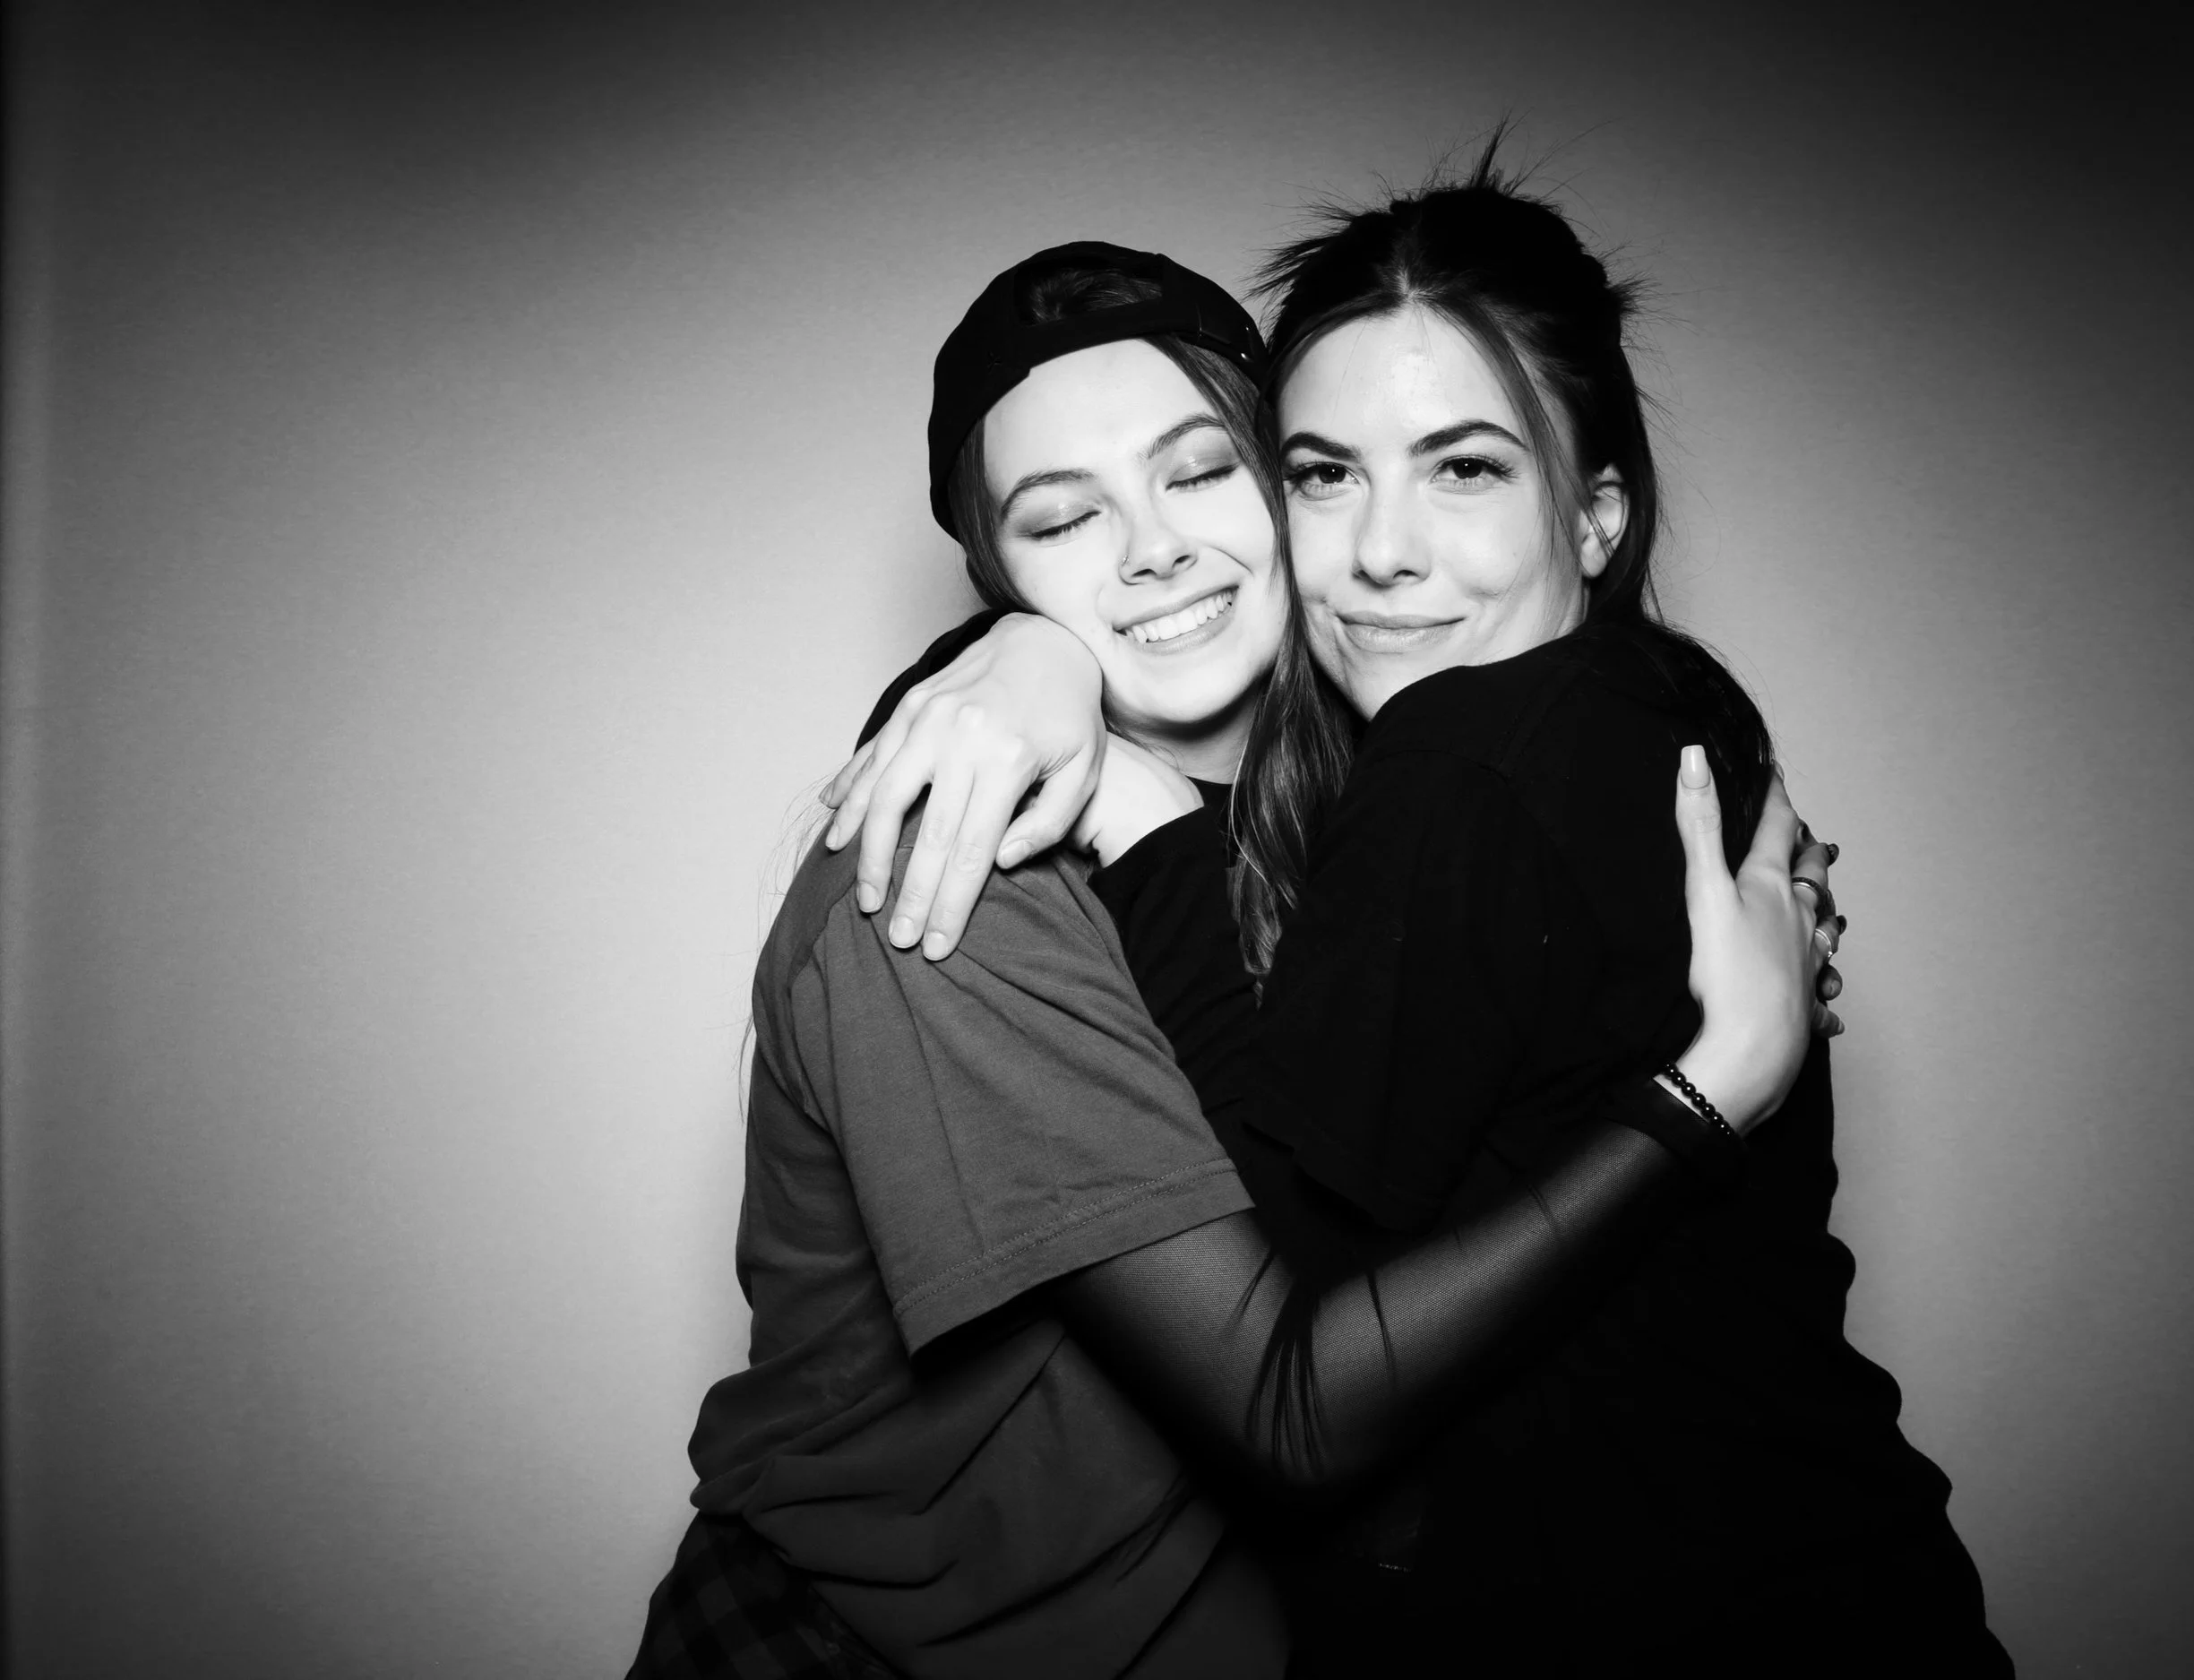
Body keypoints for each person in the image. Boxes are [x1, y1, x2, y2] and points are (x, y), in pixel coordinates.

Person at [832, 154, 2009, 1676]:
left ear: (1596, 516)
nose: (1382, 548)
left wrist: (1133, 810)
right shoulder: (1668, 710)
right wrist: (1021, 664)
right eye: (1326, 472)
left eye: (1465, 467)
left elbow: (1293, 1385)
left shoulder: (1461, 763)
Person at [631, 241, 1839, 1679]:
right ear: (997, 582)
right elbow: (1292, 1411)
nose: (1151, 550)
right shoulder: (954, 887)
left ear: (1284, 487)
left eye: (1201, 473)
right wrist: (1711, 1094)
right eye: (1061, 522)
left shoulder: (1389, 813)